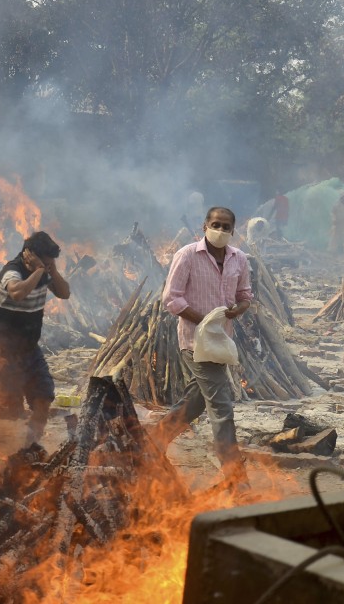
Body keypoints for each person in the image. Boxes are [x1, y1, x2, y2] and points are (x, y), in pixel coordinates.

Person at [152, 207, 253, 482]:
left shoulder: (239, 259)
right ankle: (235, 475)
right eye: (215, 224)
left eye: (226, 226)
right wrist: (204, 320)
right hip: (193, 342)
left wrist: (238, 309)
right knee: (221, 405)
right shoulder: (187, 255)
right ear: (205, 226)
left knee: (197, 400)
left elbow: (245, 295)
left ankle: (152, 442)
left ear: (233, 230)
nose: (220, 230)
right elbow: (172, 299)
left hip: (221, 343)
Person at [0, 231, 71, 443]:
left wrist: (50, 271)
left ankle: (31, 448)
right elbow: (18, 293)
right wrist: (39, 271)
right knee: (11, 411)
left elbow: (65, 293)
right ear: (30, 255)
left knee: (43, 399)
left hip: (30, 350)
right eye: (45, 263)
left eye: (50, 264)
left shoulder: (45, 272)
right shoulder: (12, 271)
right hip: (3, 353)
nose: (47, 267)